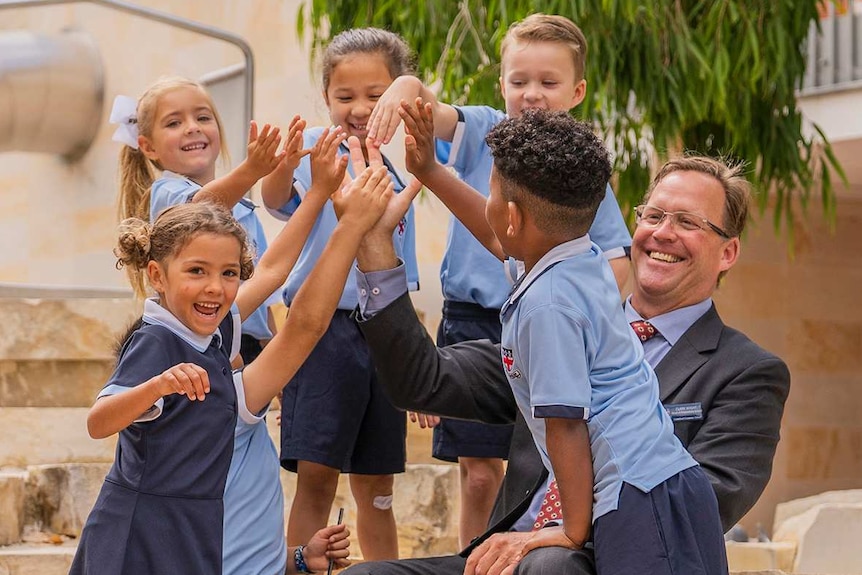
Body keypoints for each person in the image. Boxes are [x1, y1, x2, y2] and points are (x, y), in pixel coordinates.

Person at [342, 130, 790, 573]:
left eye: (688, 222)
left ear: (728, 251)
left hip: (617, 555)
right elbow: (423, 378)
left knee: (551, 566)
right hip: (508, 557)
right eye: (653, 216)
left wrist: (562, 533)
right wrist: (376, 240)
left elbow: (698, 507)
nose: (663, 233)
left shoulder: (748, 373)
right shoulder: (571, 301)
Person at [70, 149, 409, 574]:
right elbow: (98, 422)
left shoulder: (207, 337)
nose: (216, 288)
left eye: (229, 274)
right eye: (196, 271)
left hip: (188, 535)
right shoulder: (158, 340)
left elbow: (272, 272)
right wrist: (156, 387)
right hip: (139, 538)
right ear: (157, 276)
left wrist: (320, 194)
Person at [365, 14, 633, 546]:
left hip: (548, 330)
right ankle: (477, 556)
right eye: (519, 81)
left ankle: (542, 539)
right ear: (501, 85)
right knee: (481, 473)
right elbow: (430, 111)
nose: (531, 94)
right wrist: (403, 86)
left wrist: (579, 313)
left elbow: (618, 261)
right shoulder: (485, 129)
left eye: (548, 82)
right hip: (475, 319)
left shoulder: (577, 168)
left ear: (577, 91)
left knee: (541, 454)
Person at [260, 27, 420, 560]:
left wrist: (415, 355)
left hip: (382, 333)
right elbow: (278, 198)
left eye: (376, 95)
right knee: (318, 477)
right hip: (321, 332)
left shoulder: (397, 172)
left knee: (377, 489)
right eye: (344, 96)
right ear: (326, 98)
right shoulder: (320, 153)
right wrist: (283, 166)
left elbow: (400, 274)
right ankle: (299, 567)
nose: (359, 108)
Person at [110, 76, 304, 364]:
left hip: (247, 345)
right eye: (174, 123)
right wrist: (251, 171)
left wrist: (273, 358)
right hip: (197, 342)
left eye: (203, 117)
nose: (192, 128)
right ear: (148, 147)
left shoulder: (245, 211)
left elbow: (261, 293)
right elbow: (200, 213)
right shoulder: (166, 193)